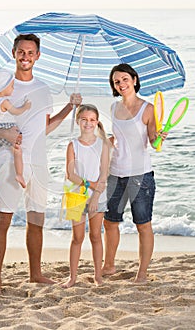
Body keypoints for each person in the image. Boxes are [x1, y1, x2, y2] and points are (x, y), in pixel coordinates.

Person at [0, 33, 82, 295]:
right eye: (21, 51)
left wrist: (70, 107)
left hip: (39, 161)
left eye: (31, 52)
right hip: (9, 160)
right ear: (13, 53)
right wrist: (4, 134)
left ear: (38, 56)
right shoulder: (1, 87)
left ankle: (36, 274)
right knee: (4, 220)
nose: (26, 56)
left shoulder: (43, 89)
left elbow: (45, 127)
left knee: (36, 219)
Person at [102, 63, 167, 283]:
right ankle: (108, 266)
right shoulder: (113, 108)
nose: (121, 84)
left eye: (124, 79)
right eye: (116, 81)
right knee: (110, 222)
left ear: (135, 80)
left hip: (141, 175)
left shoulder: (147, 109)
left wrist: (160, 137)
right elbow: (116, 139)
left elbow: (153, 142)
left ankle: (142, 273)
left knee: (143, 224)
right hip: (115, 172)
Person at [62, 104, 110, 288]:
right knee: (77, 238)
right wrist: (89, 184)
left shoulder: (103, 145)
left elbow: (104, 174)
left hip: (98, 196)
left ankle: (98, 276)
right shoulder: (72, 145)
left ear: (96, 122)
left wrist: (96, 197)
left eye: (92, 120)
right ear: (78, 121)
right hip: (75, 195)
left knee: (96, 236)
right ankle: (72, 277)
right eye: (84, 119)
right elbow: (70, 175)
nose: (88, 123)